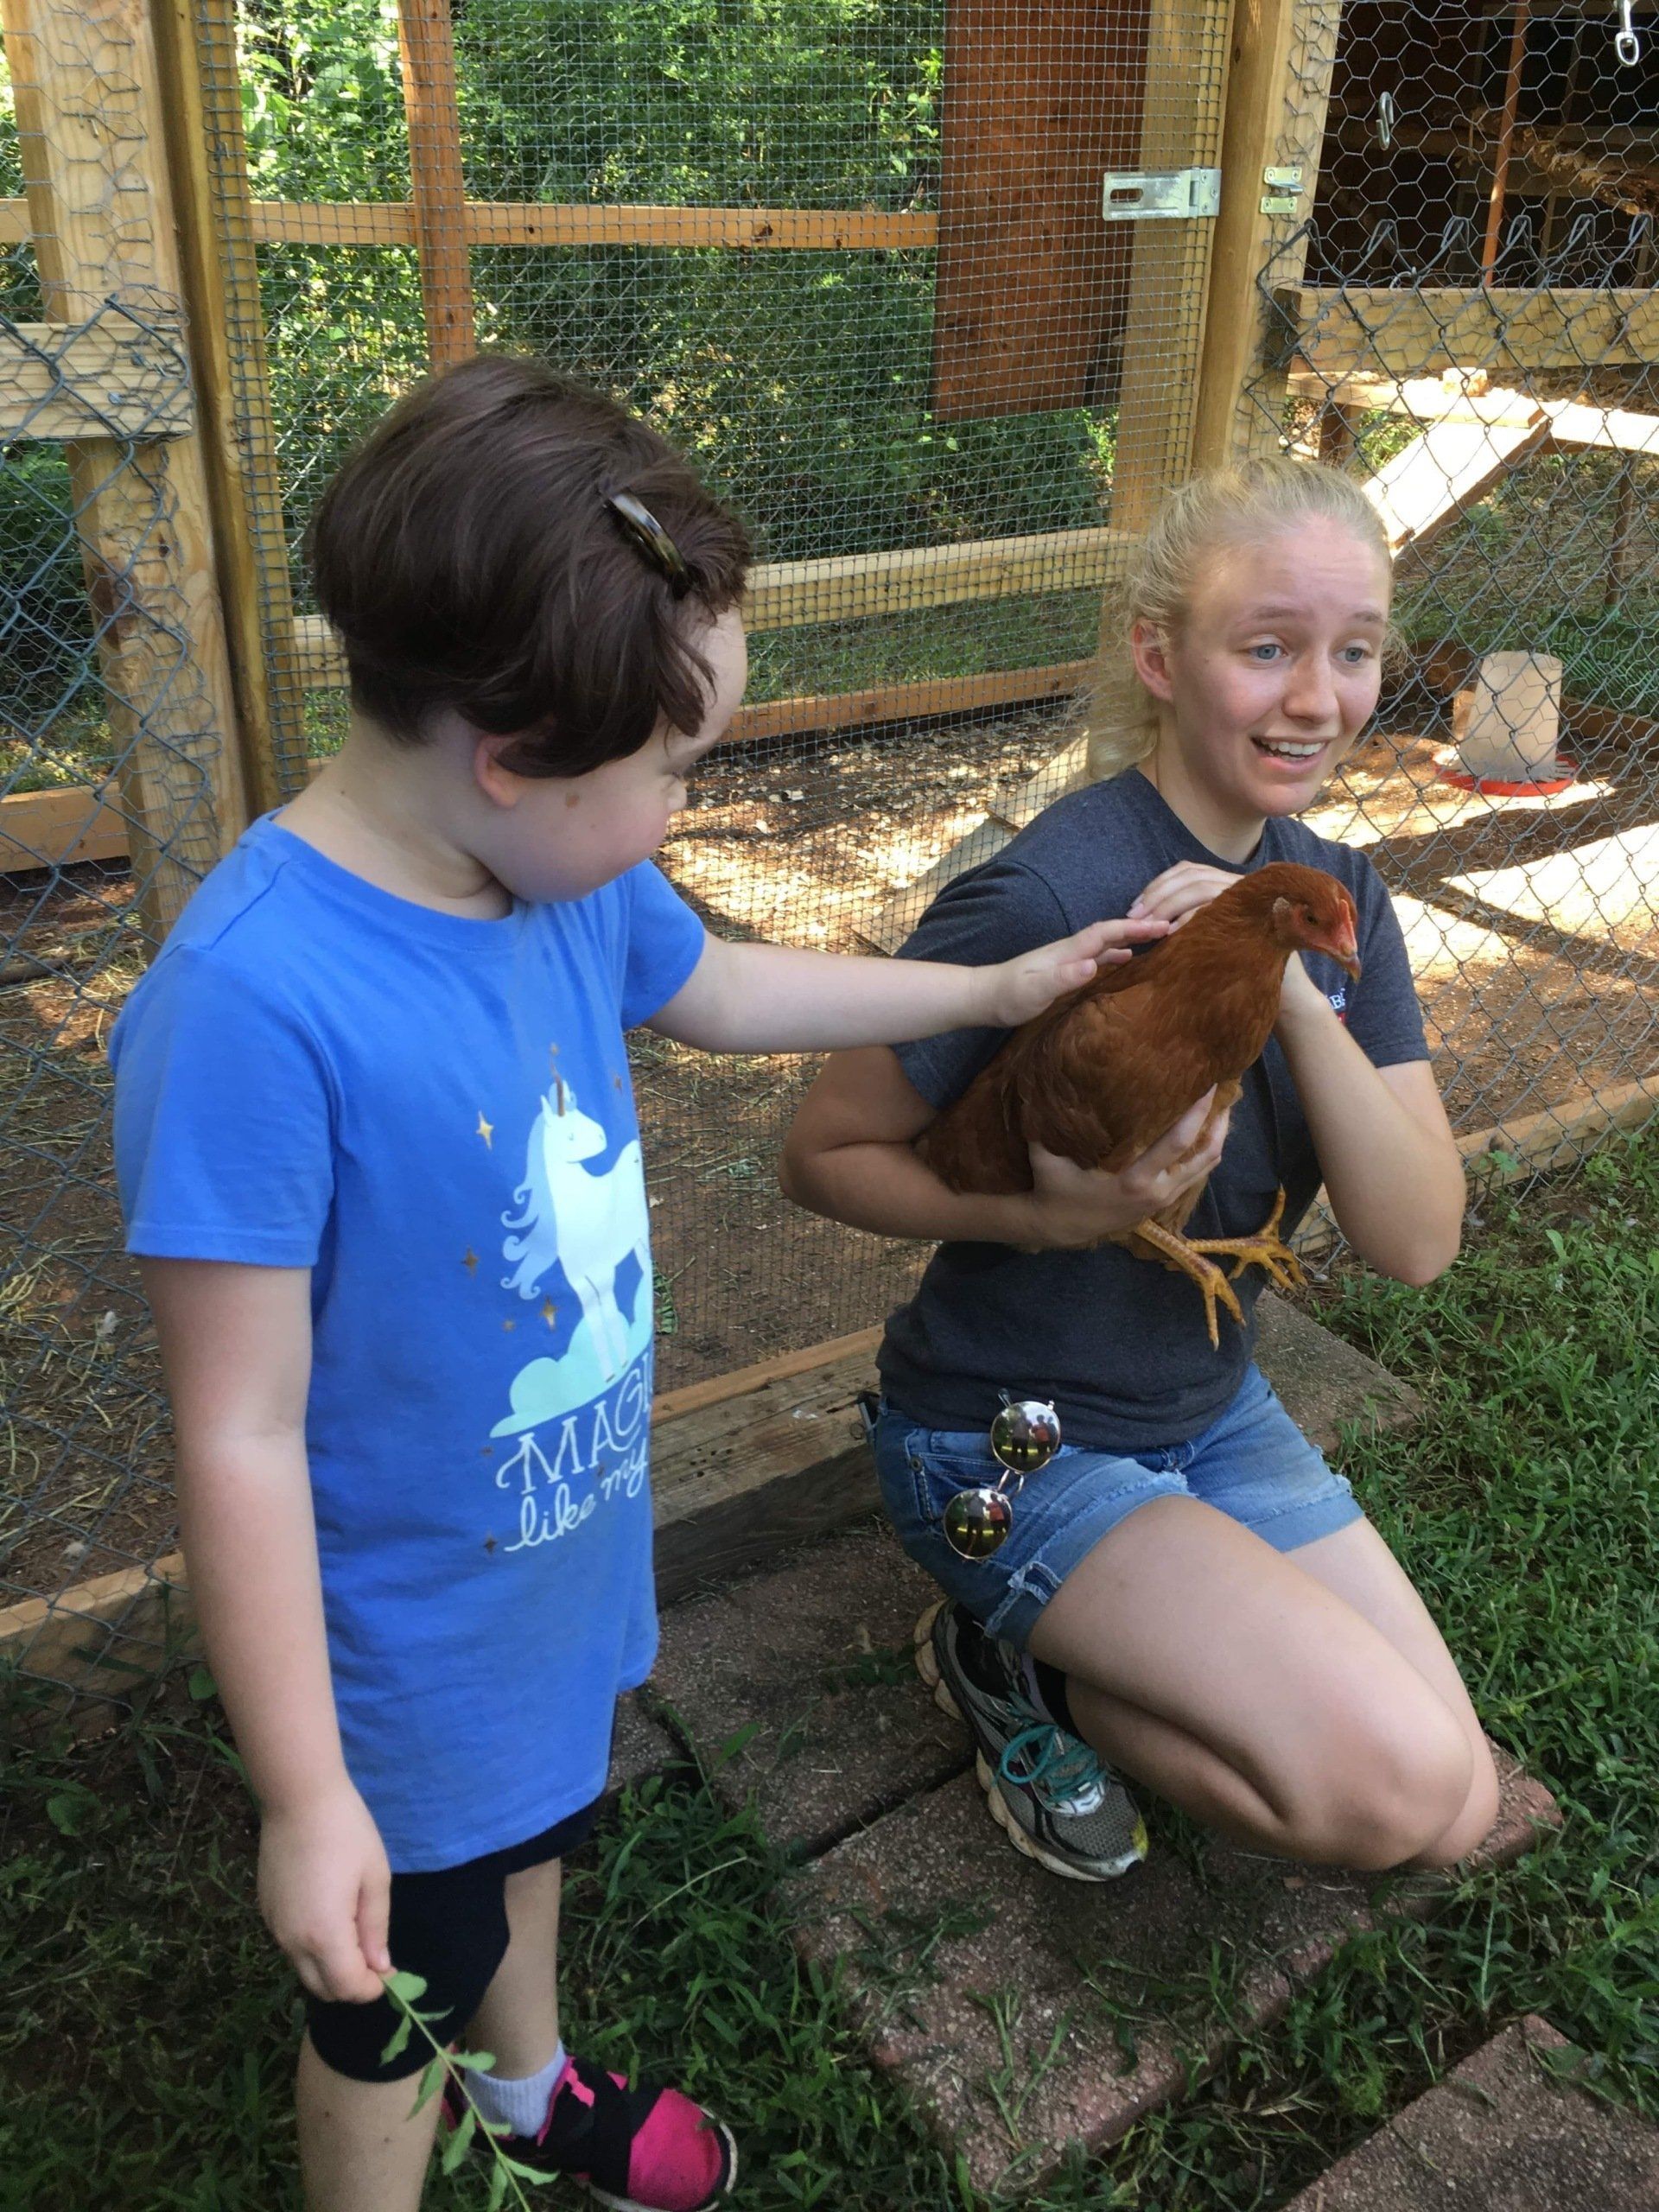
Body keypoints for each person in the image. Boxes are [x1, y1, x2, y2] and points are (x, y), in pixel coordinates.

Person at [108, 356, 1163, 2212]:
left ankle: (528, 2089)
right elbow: (241, 1431)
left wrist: (997, 992)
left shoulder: (548, 869)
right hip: (402, 1656)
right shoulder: (254, 1008)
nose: (688, 803)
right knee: (381, 2009)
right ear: (514, 753)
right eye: (678, 770)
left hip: (552, 1565)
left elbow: (732, 990)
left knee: (531, 1845)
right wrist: (306, 1792)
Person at [780, 456, 1501, 1889]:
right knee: (1391, 1788)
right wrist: (1045, 1219)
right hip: (1009, 1433)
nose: (1318, 697)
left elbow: (1417, 1242)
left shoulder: (1340, 900)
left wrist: (1278, 967)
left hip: (1206, 1411)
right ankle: (1014, 1664)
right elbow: (819, 1154)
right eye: (1268, 648)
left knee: (1459, 1807)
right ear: (1160, 655)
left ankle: (1083, 1656)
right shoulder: (1050, 895)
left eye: (1354, 652)